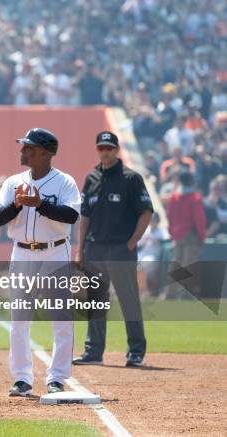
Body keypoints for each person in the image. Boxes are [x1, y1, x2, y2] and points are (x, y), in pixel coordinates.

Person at [0, 128, 81, 396]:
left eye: (28, 147)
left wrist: (40, 204)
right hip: (22, 253)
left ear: (45, 152)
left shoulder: (65, 182)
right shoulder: (13, 182)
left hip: (55, 252)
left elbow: (71, 216)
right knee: (19, 319)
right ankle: (22, 378)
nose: (23, 150)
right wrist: (17, 206)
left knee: (61, 318)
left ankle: (57, 377)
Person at [73, 131, 153, 367]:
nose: (105, 151)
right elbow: (84, 215)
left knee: (129, 300)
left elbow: (146, 212)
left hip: (120, 249)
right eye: (101, 148)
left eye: (109, 148)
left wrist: (132, 242)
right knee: (96, 302)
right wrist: (81, 249)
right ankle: (93, 352)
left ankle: (136, 351)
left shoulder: (131, 178)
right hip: (95, 249)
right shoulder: (91, 177)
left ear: (117, 150)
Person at [166, 172, 207, 269]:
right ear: (191, 181)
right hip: (190, 236)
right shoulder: (195, 198)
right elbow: (200, 220)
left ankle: (175, 284)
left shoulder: (173, 198)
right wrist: (202, 237)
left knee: (177, 264)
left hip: (177, 235)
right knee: (189, 266)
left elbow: (169, 217)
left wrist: (172, 234)